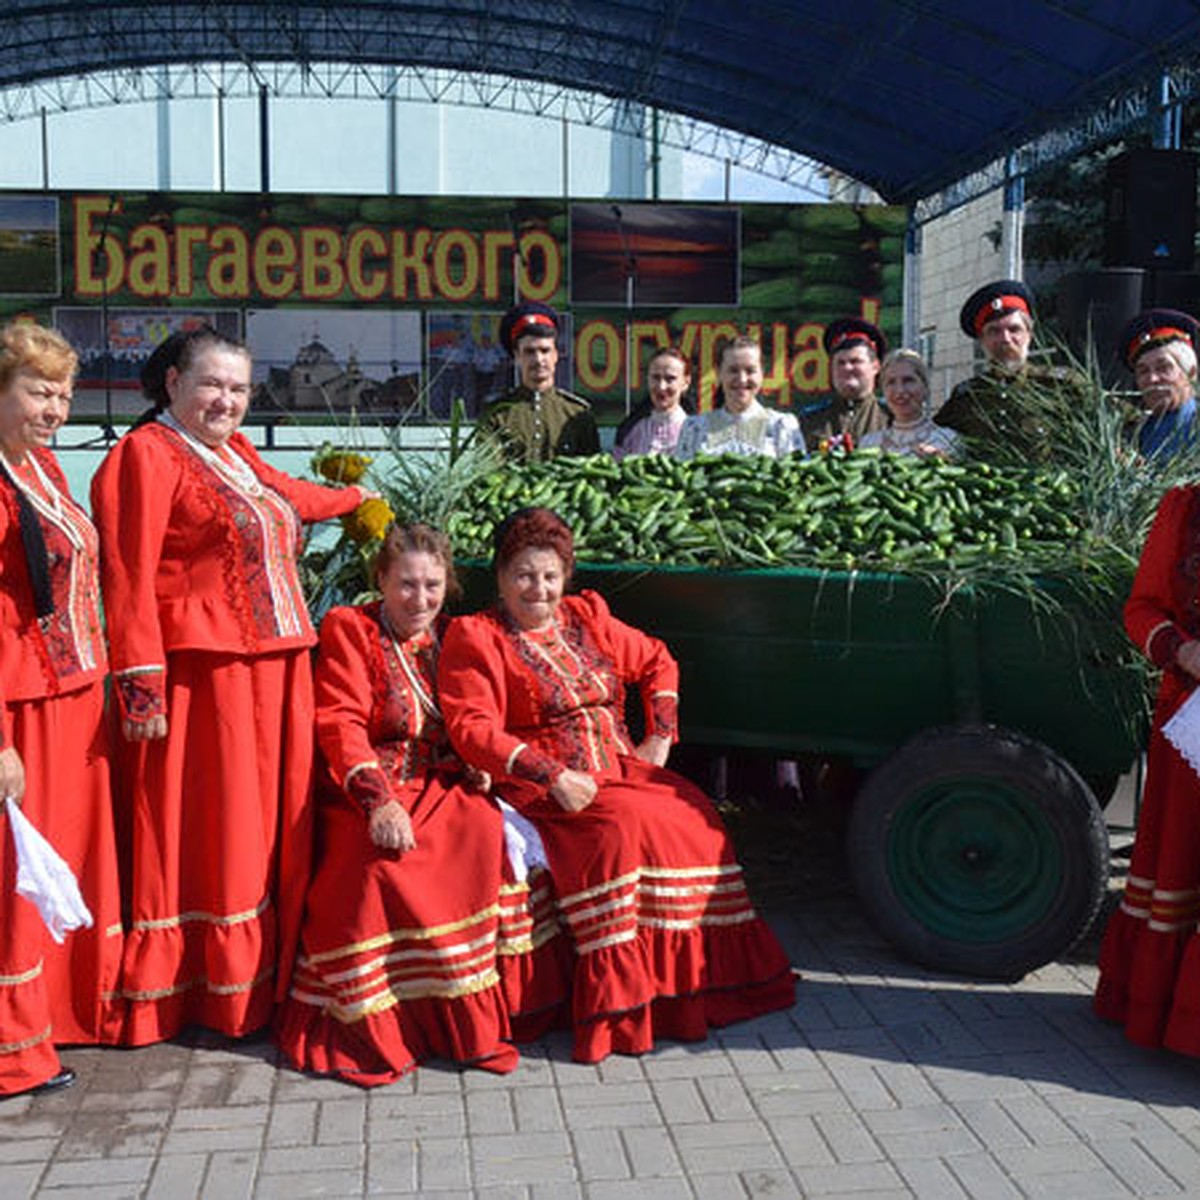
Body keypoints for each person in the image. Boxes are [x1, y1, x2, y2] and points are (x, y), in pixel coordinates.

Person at [90, 325, 370, 1046]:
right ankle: (199, 990)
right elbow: (127, 577)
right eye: (212, 384)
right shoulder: (144, 456)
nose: (226, 400)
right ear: (172, 382)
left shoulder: (234, 454)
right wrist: (141, 687)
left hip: (272, 668)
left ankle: (260, 976)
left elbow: (292, 496)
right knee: (215, 832)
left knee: (263, 828)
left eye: (240, 389)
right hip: (201, 677)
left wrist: (359, 499)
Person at [438, 507, 796, 1064]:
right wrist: (551, 775)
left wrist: (659, 738)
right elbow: (472, 727)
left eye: (551, 576)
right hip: (545, 787)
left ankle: (688, 993)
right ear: (502, 576)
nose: (539, 588)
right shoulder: (476, 636)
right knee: (623, 832)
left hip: (620, 770)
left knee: (696, 817)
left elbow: (658, 661)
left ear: (567, 578)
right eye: (525, 575)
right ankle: (627, 1008)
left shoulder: (588, 616)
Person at [277, 523, 568, 1086]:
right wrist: (378, 803)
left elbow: (476, 716)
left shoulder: (457, 636)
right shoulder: (351, 630)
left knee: (486, 839)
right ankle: (386, 1025)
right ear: (381, 581)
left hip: (441, 783)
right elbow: (339, 724)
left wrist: (478, 765)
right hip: (365, 791)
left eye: (433, 585)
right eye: (407, 585)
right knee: (376, 871)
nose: (421, 599)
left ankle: (466, 1024)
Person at [0, 321, 124, 1097]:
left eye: (65, 394)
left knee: (58, 870)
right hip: (20, 705)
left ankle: (55, 1017)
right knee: (16, 876)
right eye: (39, 392)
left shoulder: (43, 470)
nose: (57, 408)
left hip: (74, 695)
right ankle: (12, 1050)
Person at [1093, 483, 1200, 1056]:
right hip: (1194, 725)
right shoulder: (1185, 509)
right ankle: (1175, 1014)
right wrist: (1183, 651)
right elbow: (1143, 609)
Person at [934, 279, 1087, 458]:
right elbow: (936, 438)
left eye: (1014, 329)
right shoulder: (966, 397)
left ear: (1029, 335)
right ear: (982, 341)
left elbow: (1117, 419)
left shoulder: (1064, 384)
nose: (1005, 339)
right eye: (993, 331)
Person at [476, 302, 600, 463]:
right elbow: (485, 474)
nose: (538, 359)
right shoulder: (497, 415)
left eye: (545, 350)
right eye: (529, 351)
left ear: (556, 355)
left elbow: (593, 475)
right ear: (517, 356)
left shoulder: (577, 415)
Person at [674, 335, 805, 460]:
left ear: (762, 373)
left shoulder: (781, 426)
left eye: (750, 370)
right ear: (719, 373)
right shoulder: (694, 428)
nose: (742, 379)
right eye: (733, 370)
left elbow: (798, 478)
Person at [1117, 308, 1200, 460]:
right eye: (1143, 371)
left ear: (1191, 373)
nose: (1152, 379)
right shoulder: (1132, 434)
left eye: (1164, 368)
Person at [798, 317, 889, 449]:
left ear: (875, 366)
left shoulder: (892, 417)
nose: (847, 368)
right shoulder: (810, 420)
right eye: (840, 363)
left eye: (855, 361)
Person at [860, 349, 961, 459]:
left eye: (908, 380)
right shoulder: (868, 444)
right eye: (891, 382)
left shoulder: (948, 440)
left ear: (925, 387)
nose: (900, 391)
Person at [612, 346, 693, 460]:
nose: (661, 387)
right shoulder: (630, 430)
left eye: (670, 379)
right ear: (648, 379)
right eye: (655, 377)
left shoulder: (699, 432)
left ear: (686, 382)